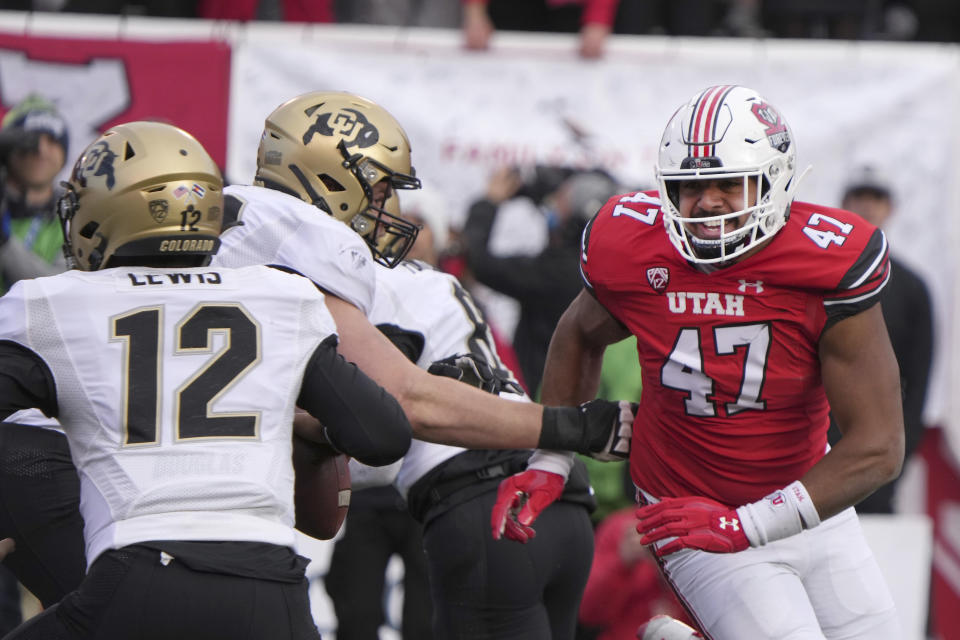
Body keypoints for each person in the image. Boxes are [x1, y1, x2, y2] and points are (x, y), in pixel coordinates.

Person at [491, 85, 904, 639]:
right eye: (690, 187)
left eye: (728, 184)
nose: (707, 202)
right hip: (690, 507)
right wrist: (551, 461)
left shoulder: (824, 262)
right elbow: (578, 333)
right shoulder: (636, 247)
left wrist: (748, 523)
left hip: (807, 499)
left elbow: (878, 447)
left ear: (774, 179)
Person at [0, 120, 413, 638]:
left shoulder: (54, 305)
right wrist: (299, 422)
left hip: (142, 576)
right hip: (276, 592)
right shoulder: (279, 296)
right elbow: (384, 435)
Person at [210, 90, 632, 460]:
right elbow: (410, 400)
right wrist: (572, 427)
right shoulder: (303, 238)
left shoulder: (239, 226)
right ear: (328, 179)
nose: (385, 210)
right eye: (378, 192)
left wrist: (316, 429)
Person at [346, 186, 596, 639]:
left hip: (486, 507)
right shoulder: (436, 282)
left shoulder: (367, 290)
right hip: (560, 492)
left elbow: (379, 432)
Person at [462, 166, 621, 397]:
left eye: (560, 201)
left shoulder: (557, 271)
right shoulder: (603, 265)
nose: (553, 207)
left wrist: (489, 202)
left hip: (543, 397)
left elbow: (480, 263)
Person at [834, 164, 933, 514]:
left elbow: (919, 379)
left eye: (876, 198)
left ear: (891, 208)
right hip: (816, 448)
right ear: (842, 204)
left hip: (877, 449)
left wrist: (899, 454)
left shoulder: (912, 288)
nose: (867, 206)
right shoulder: (818, 278)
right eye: (859, 196)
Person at [0, 94, 70, 294]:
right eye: (28, 142)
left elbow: (57, 292)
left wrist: (3, 241)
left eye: (53, 141)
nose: (41, 150)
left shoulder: (73, 217)